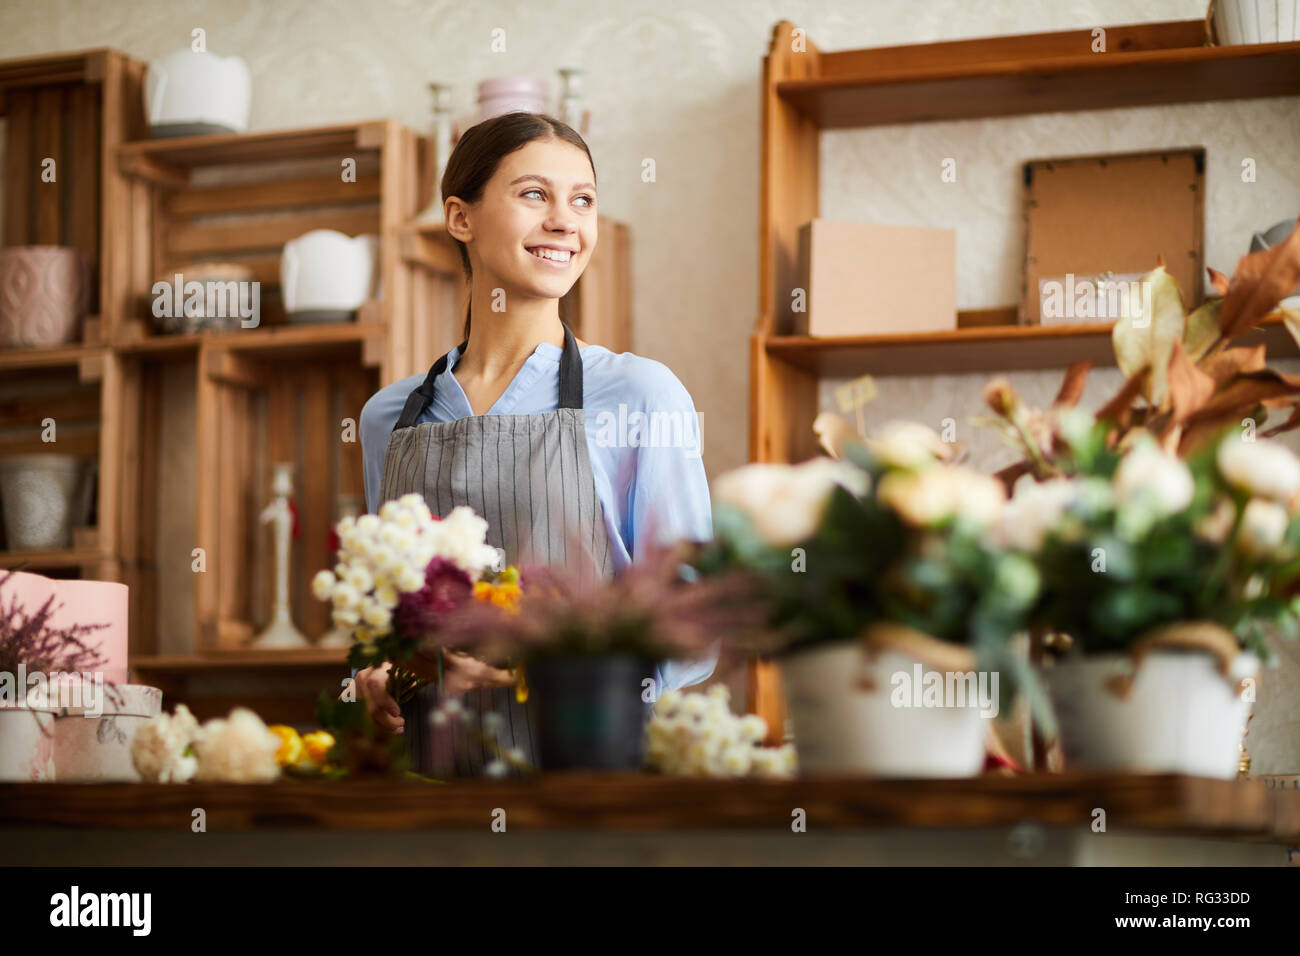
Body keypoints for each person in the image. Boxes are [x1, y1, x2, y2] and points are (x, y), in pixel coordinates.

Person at [352, 112, 715, 776]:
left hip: (587, 781)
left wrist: (548, 667)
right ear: (460, 218)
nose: (564, 222)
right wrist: (380, 676)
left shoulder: (641, 394)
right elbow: (389, 617)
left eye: (583, 200)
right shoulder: (389, 418)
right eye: (534, 195)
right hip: (428, 789)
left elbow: (692, 621)